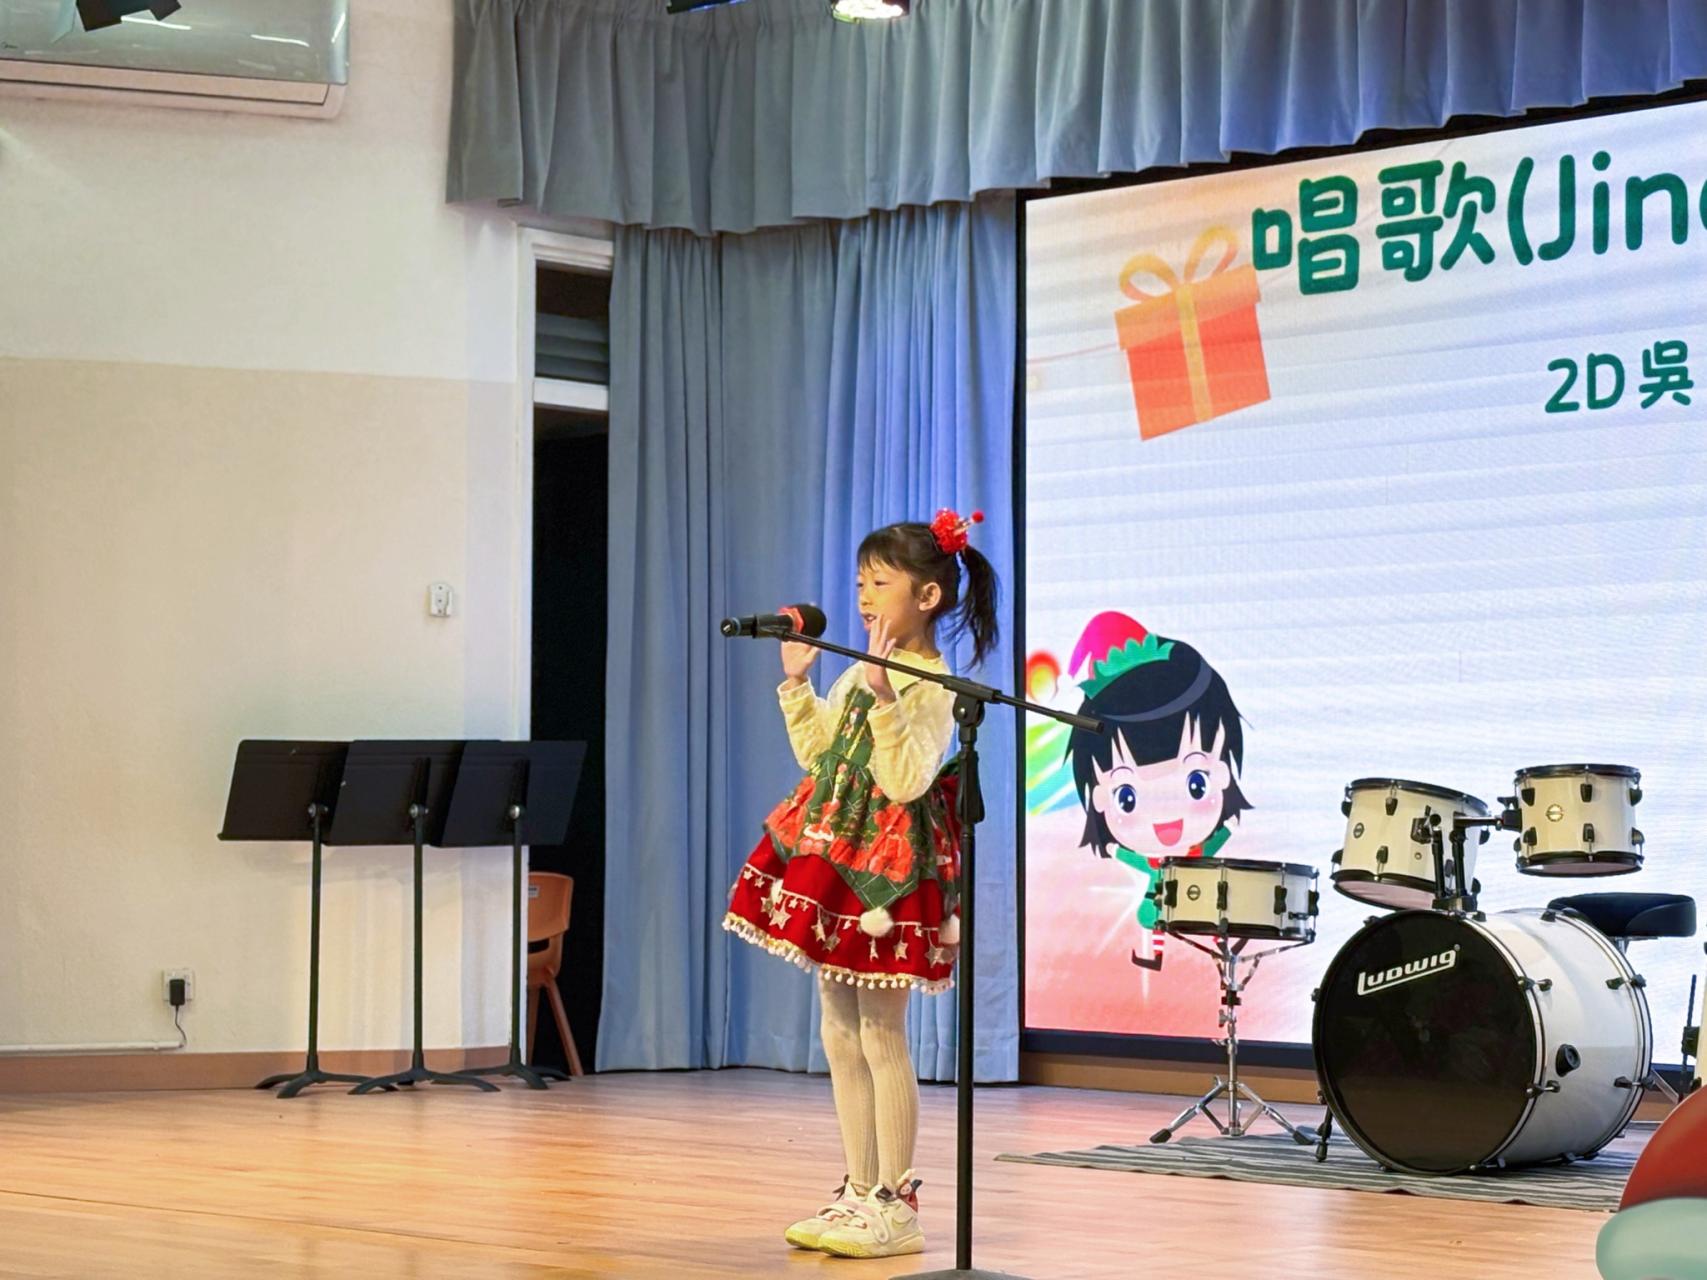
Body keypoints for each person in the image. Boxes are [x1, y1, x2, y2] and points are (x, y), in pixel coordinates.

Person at [722, 508, 998, 1260]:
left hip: (890, 873)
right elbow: (821, 758)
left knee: (880, 1029)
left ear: (928, 596)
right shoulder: (855, 668)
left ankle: (895, 1203)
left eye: (880, 583)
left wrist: (883, 696)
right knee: (836, 1025)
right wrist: (796, 684)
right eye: (859, 584)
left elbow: (904, 781)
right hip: (837, 858)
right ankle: (856, 1187)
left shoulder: (933, 685)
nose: (865, 597)